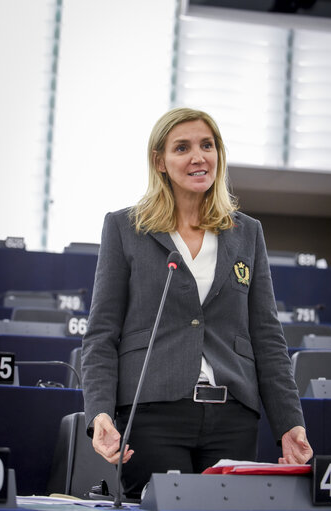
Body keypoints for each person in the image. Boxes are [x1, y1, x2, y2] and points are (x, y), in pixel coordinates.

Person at [81, 107, 313, 499]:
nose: (198, 157)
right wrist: (100, 412)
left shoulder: (248, 233)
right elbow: (101, 335)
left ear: (219, 154)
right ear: (160, 161)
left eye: (207, 145)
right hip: (153, 411)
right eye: (182, 147)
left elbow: (268, 337)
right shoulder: (125, 228)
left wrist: (289, 423)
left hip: (233, 415)